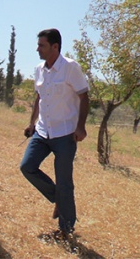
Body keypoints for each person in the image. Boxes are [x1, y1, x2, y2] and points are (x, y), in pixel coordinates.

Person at [20, 28, 89, 238]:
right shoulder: (39, 69)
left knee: (64, 180)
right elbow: (39, 98)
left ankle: (66, 229)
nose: (37, 49)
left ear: (55, 47)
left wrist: (80, 126)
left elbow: (84, 96)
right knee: (27, 167)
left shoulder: (70, 68)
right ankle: (58, 198)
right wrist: (32, 123)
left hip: (65, 134)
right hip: (43, 132)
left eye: (42, 45)